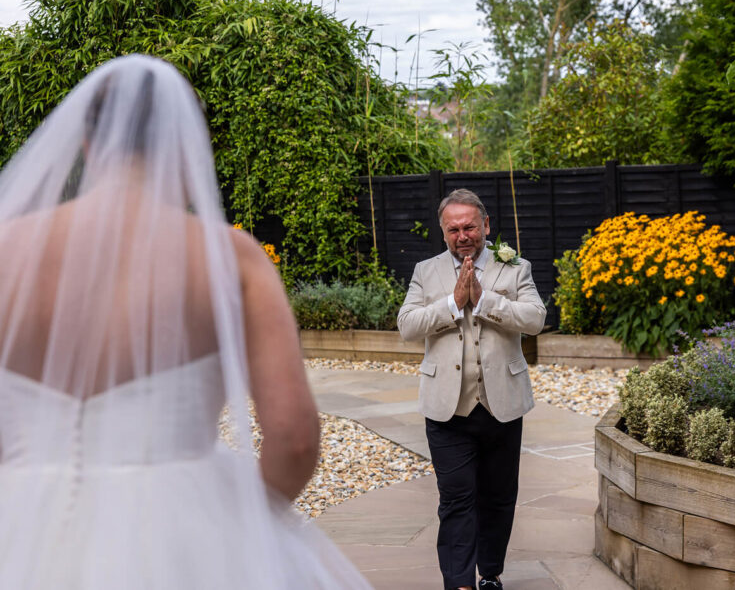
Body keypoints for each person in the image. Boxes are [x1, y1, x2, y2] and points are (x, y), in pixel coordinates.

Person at [0, 54, 371, 588]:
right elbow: (293, 439)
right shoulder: (229, 258)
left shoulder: (8, 251)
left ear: (85, 143)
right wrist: (240, 533)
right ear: (186, 142)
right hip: (180, 535)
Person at [397, 189, 546, 590]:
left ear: (486, 226)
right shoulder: (426, 272)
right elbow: (407, 326)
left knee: (498, 496)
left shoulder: (515, 268)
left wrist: (484, 301)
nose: (462, 235)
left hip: (502, 404)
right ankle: (460, 583)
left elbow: (535, 319)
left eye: (470, 227)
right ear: (443, 232)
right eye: (454, 229)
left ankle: (490, 573)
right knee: (456, 499)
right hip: (447, 409)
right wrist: (453, 301)